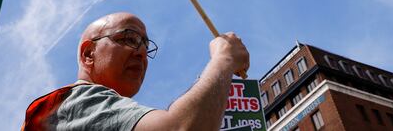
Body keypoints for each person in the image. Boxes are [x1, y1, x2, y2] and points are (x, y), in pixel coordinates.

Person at [22, 11, 250, 131]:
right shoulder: (77, 103)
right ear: (88, 54)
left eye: (145, 45)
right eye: (129, 38)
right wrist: (224, 58)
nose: (141, 52)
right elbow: (181, 128)